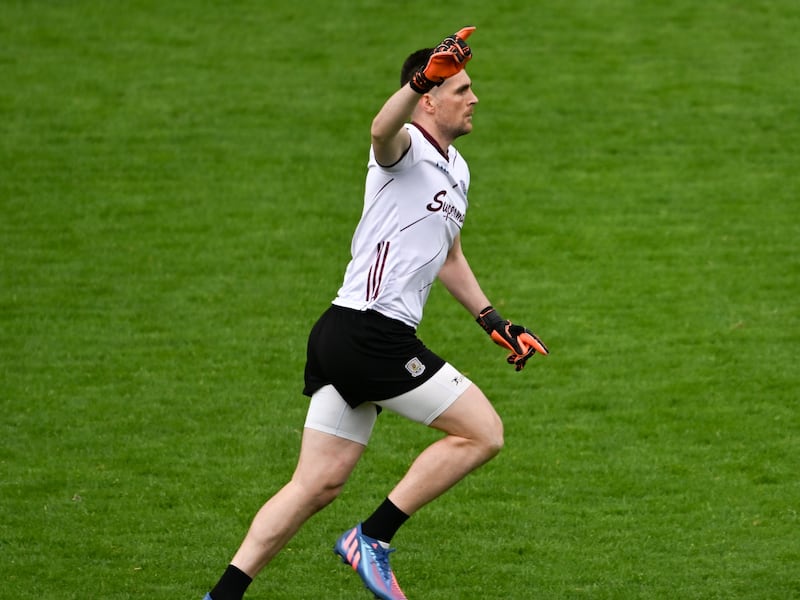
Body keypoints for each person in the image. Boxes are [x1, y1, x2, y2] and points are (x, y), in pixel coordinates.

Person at [202, 26, 548, 600]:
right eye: (460, 89)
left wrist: (494, 321)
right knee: (483, 432)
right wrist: (421, 80)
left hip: (346, 333)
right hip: (370, 331)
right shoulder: (402, 148)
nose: (474, 99)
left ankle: (222, 596)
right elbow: (380, 128)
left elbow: (449, 254)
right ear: (430, 98)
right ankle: (373, 538)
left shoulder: (456, 169)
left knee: (316, 483)